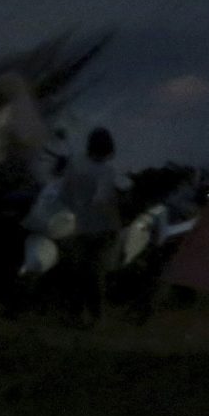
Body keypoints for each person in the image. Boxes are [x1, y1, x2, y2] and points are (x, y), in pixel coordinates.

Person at [56, 127, 125, 325]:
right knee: (94, 276)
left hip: (81, 227)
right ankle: (95, 317)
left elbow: (64, 195)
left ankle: (74, 314)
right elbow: (106, 202)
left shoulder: (76, 166)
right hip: (103, 229)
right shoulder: (107, 171)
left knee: (78, 274)